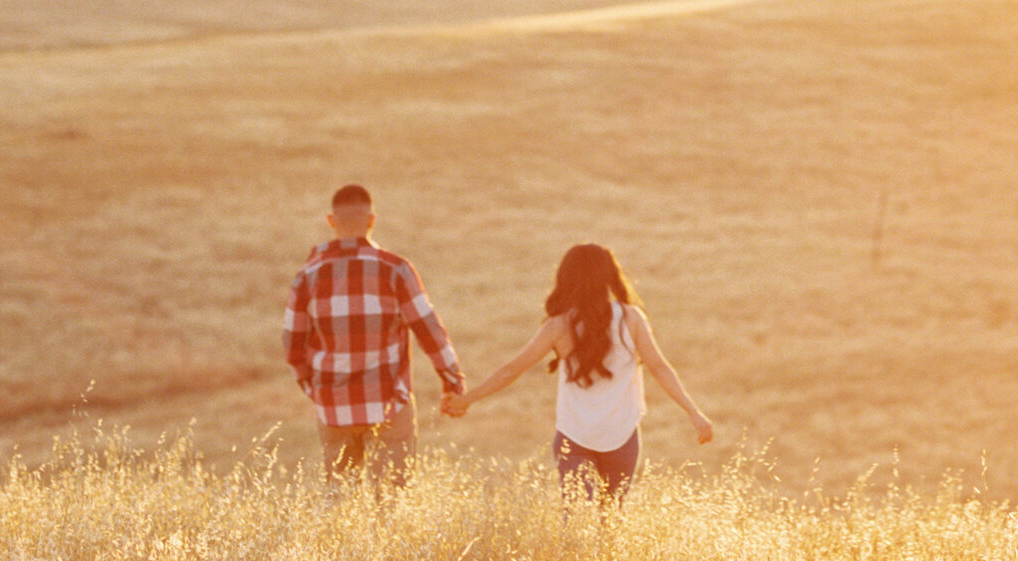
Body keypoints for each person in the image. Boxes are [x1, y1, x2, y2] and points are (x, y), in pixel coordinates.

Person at [441, 242, 712, 499]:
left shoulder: (558, 326)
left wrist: (467, 400)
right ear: (609, 276)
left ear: (566, 277)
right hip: (622, 436)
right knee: (611, 523)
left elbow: (512, 370)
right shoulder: (631, 319)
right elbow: (660, 368)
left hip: (574, 436)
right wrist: (694, 412)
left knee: (577, 520)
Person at [282, 183, 466, 485]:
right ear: (371, 220)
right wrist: (452, 381)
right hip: (389, 404)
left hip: (332, 405)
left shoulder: (307, 276)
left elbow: (292, 345)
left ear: (331, 221)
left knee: (340, 502)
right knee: (391, 503)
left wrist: (315, 389)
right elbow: (428, 330)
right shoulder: (395, 270)